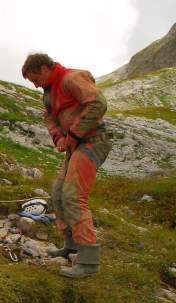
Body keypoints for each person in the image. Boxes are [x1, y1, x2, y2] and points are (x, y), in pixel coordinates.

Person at [22, 53, 111, 278]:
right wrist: (59, 137)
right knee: (58, 193)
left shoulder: (71, 79)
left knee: (73, 196)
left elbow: (98, 103)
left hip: (92, 142)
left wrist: (73, 133)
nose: (35, 85)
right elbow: (49, 118)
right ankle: (71, 246)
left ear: (44, 68)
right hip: (75, 146)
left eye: (34, 79)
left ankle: (88, 261)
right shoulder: (49, 92)